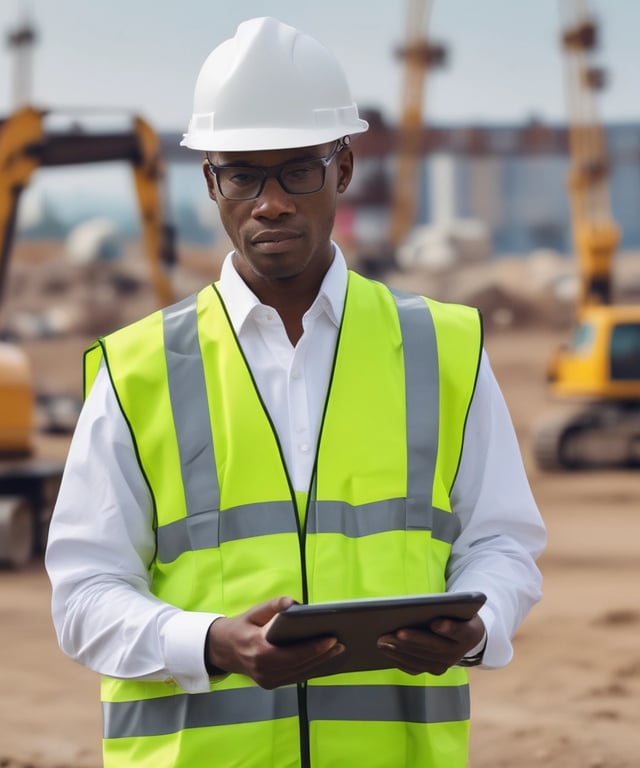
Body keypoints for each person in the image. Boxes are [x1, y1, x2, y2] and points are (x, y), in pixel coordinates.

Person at [45, 16, 546, 768]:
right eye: (242, 174)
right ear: (211, 182)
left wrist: (478, 628)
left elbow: (502, 544)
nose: (269, 202)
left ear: (342, 169)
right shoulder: (136, 369)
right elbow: (83, 598)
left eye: (297, 171)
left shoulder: (442, 349)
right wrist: (211, 644)